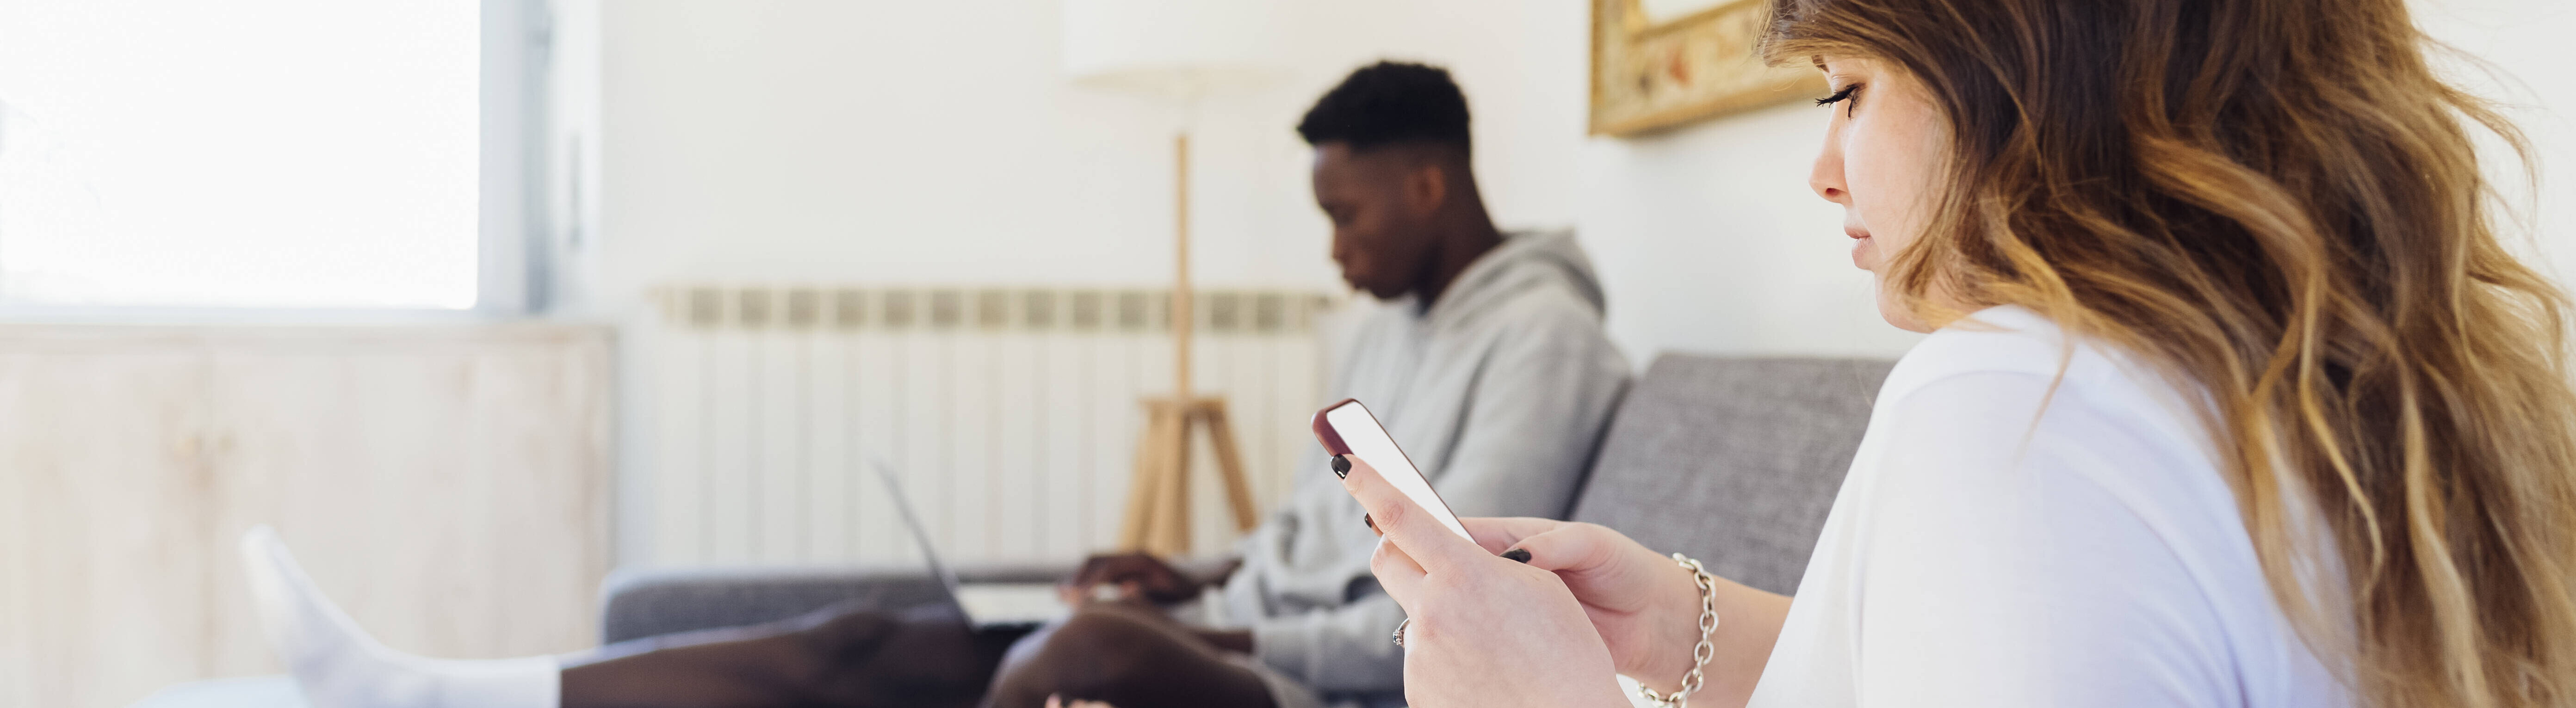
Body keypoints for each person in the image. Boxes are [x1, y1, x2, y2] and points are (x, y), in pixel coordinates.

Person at [239, 61, 1631, 708]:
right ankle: (444, 692)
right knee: (864, 639)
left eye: (1348, 216)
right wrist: (1194, 577)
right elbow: (1321, 539)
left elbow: (1449, 617)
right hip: (1247, 636)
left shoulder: (1547, 341)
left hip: (1339, 691)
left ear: (1428, 184)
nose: (1335, 251)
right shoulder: (1396, 320)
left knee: (1070, 659)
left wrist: (1214, 644)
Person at [1336, 0, 2576, 707]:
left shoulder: (2025, 399)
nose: (1824, 170)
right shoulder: (2364, 387)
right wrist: (1675, 623)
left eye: (1847, 90)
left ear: (2028, 76)